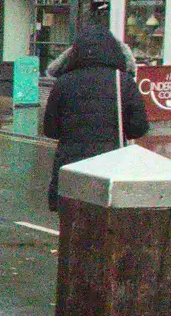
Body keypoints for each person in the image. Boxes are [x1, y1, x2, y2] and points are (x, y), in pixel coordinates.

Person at [42, 24, 150, 211]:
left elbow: (50, 130)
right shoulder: (122, 81)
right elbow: (138, 128)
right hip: (110, 168)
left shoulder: (63, 83)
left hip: (71, 169)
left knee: (72, 226)